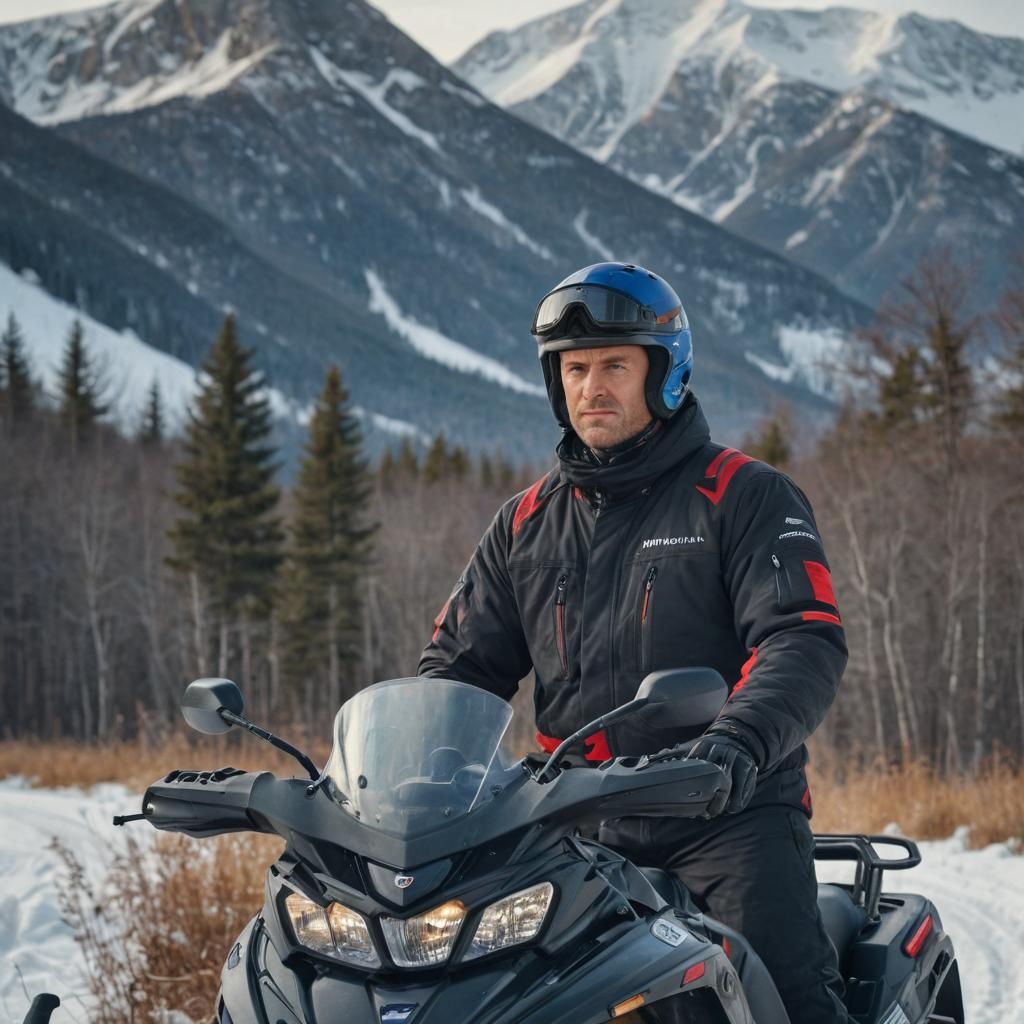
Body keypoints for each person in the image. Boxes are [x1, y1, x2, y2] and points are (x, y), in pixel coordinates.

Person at [418, 261, 848, 1024]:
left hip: (727, 820)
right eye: (575, 369)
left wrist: (736, 745)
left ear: (665, 372)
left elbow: (802, 639)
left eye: (615, 365)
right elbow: (458, 671)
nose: (593, 387)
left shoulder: (743, 495)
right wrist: (418, 770)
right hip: (574, 826)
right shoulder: (524, 523)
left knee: (781, 1000)